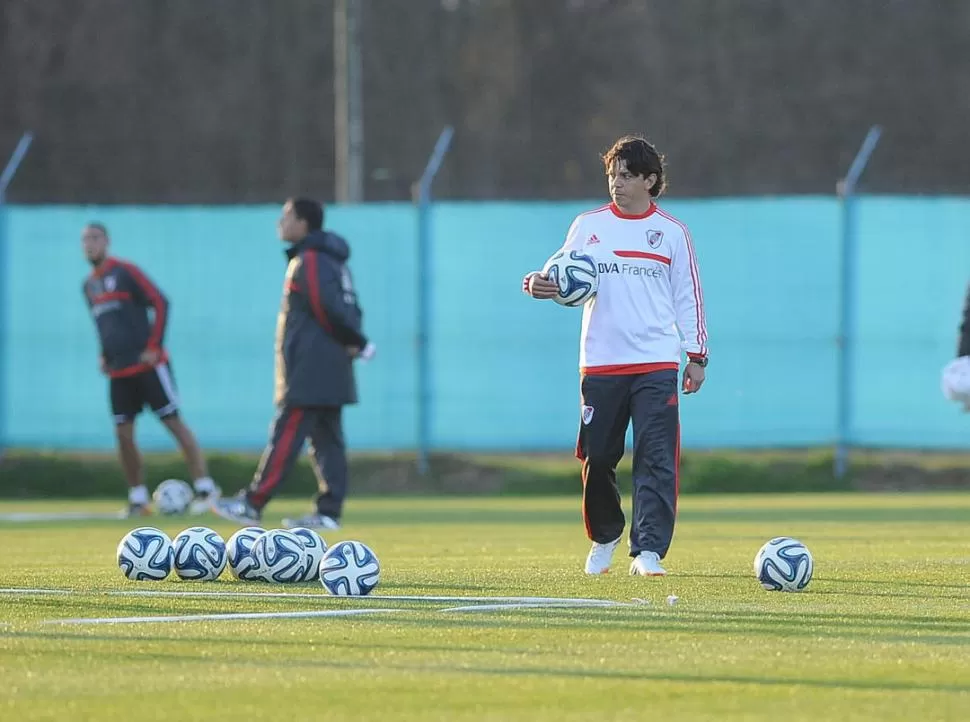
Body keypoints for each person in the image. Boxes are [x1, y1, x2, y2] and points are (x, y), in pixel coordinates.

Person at [522, 135, 708, 577]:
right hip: (601, 363)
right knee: (598, 457)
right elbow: (555, 274)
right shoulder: (588, 226)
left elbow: (689, 296)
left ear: (650, 180)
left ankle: (648, 551)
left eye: (625, 176)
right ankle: (605, 535)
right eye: (611, 175)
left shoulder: (672, 233)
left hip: (656, 363)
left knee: (656, 456)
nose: (616, 184)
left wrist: (697, 355)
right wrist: (536, 283)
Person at [213, 198, 374, 529]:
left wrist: (355, 340)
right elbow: (348, 308)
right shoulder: (332, 261)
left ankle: (253, 503)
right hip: (328, 367)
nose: (280, 223)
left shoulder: (311, 260)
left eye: (286, 217)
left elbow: (326, 307)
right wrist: (354, 341)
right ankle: (328, 513)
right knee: (327, 441)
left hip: (310, 369)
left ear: (304, 224)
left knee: (287, 434)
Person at [81, 223, 220, 517]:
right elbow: (103, 326)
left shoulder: (125, 272)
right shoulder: (89, 286)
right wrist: (104, 355)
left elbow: (160, 301)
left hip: (148, 367)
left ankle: (206, 488)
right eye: (85, 240)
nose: (89, 244)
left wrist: (154, 346)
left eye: (94, 238)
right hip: (118, 372)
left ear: (106, 241)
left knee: (173, 423)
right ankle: (138, 498)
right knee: (123, 433)